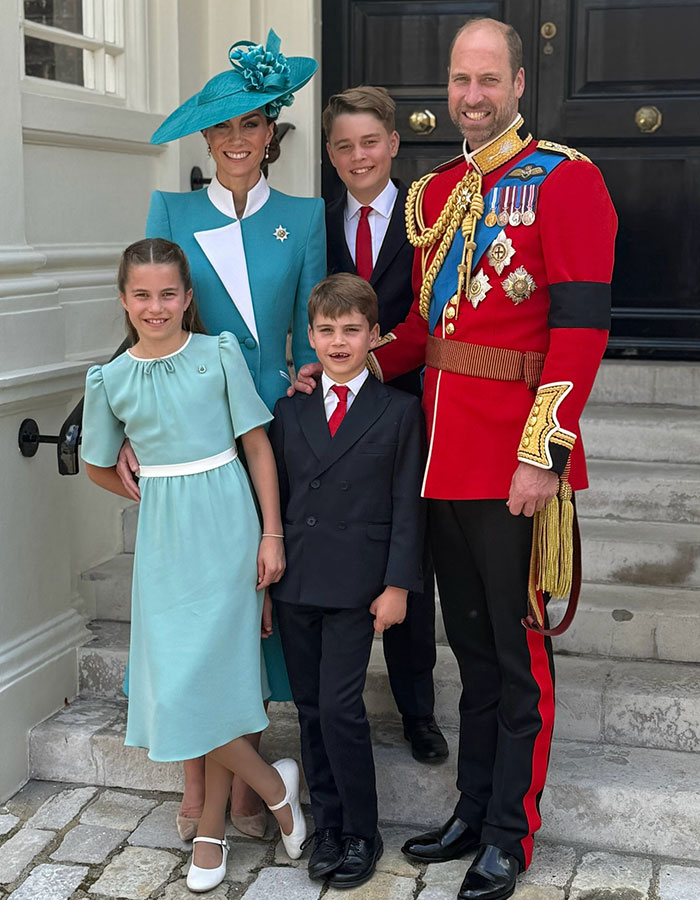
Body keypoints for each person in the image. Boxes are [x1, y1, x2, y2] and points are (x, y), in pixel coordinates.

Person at [293, 17, 617, 900]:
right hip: (439, 462)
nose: (471, 96)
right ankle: (474, 806)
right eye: (459, 80)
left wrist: (542, 454)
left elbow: (581, 332)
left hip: (515, 464)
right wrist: (336, 367)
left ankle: (513, 832)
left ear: (519, 83)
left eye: (488, 80)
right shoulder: (433, 195)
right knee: (467, 651)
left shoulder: (567, 181)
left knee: (516, 657)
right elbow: (425, 338)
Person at [115, 29, 326, 841]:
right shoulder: (172, 209)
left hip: (267, 426)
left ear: (273, 131)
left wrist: (308, 374)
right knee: (190, 607)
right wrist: (129, 421)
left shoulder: (304, 217)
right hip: (191, 428)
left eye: (252, 125)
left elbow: (308, 334)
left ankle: (249, 770)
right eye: (223, 129)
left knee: (252, 595)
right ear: (206, 140)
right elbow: (148, 311)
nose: (238, 142)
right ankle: (203, 790)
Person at [81, 238, 307, 894]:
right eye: (143, 295)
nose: (157, 306)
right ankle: (273, 785)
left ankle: (211, 832)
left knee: (218, 684)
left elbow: (257, 448)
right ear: (125, 301)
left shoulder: (218, 355)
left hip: (230, 525)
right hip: (164, 541)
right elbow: (97, 461)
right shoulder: (111, 378)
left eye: (169, 294)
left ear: (188, 298)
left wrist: (272, 534)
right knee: (179, 691)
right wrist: (137, 478)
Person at [269, 273, 425, 888]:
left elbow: (408, 506)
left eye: (352, 331)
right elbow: (274, 497)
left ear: (374, 337)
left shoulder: (399, 411)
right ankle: (328, 823)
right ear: (309, 336)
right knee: (309, 710)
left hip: (359, 585)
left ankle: (363, 829)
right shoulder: (291, 408)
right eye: (327, 331)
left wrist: (398, 585)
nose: (339, 342)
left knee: (340, 708)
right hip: (297, 579)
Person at [323, 86, 448, 764]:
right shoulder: (313, 222)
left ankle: (419, 712)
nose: (358, 155)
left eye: (370, 142)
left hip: (409, 409)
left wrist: (367, 363)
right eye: (343, 145)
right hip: (334, 416)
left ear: (394, 145)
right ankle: (328, 697)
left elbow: (432, 319)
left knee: (410, 558)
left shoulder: (427, 216)